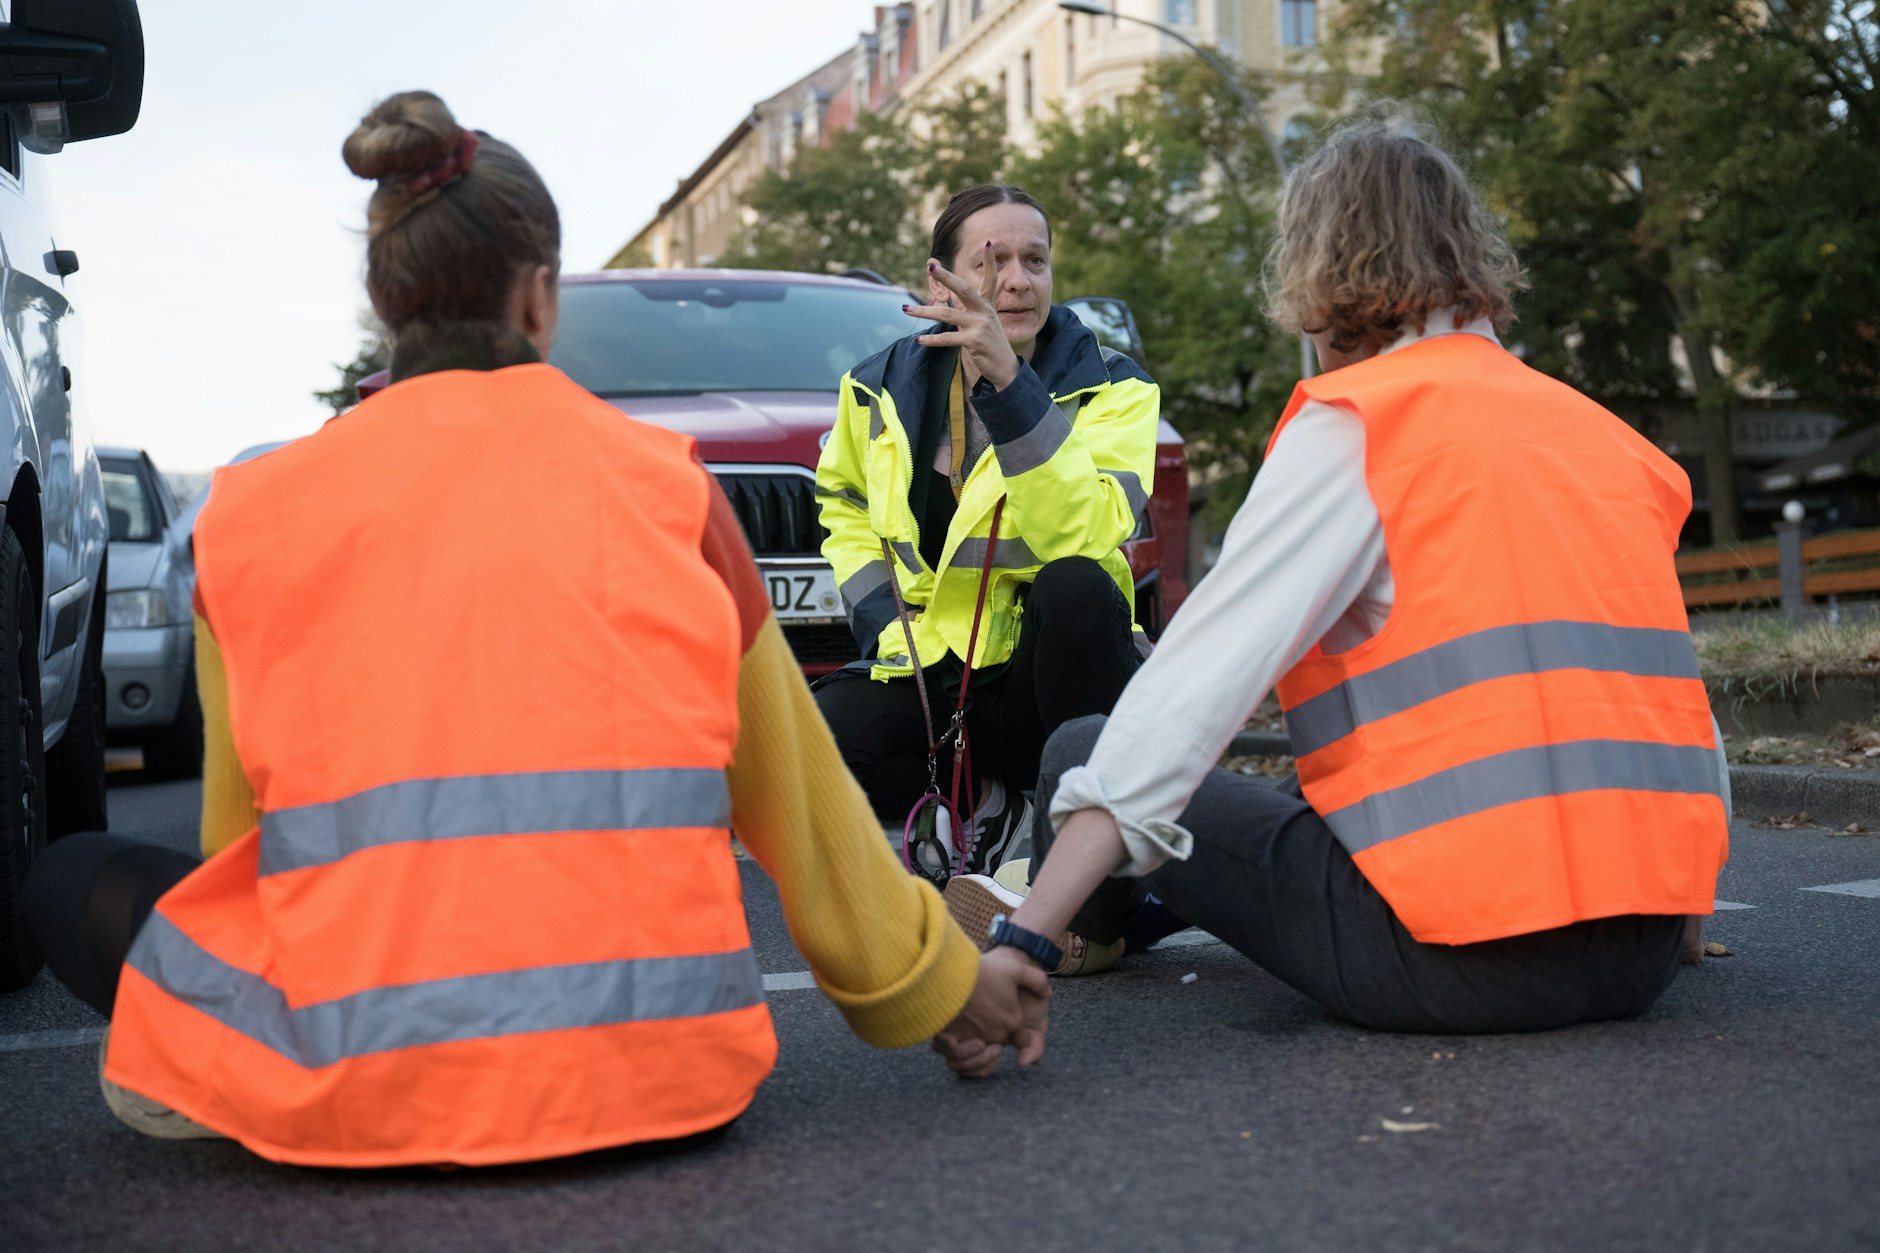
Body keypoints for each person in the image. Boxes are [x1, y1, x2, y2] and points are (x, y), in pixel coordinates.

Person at [19, 91, 1043, 1166]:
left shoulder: (249, 516)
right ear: (541, 298)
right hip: (666, 1078)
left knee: (65, 875)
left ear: (384, 308)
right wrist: (946, 987)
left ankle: (229, 1084)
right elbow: (805, 809)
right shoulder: (662, 488)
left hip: (354, 1088)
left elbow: (245, 849)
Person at [936, 115, 1731, 1071]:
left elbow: (1182, 704)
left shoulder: (1359, 424)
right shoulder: (1598, 434)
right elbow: (1669, 701)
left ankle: (1071, 926)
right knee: (1276, 798)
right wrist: (1685, 916)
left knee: (1083, 747)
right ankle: (1104, 904)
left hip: (1447, 959)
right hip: (1640, 952)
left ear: (1317, 266)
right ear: (1472, 254)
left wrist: (1014, 951)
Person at [813, 184, 1162, 878]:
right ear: (938, 281)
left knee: (1078, 587)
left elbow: (1082, 533)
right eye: (991, 261)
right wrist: (885, 621)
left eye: (1036, 261)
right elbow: (845, 506)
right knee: (816, 744)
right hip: (937, 672)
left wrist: (1010, 386)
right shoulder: (873, 389)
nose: (1017, 281)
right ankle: (989, 805)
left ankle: (1073, 845)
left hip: (1051, 679)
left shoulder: (1114, 387)